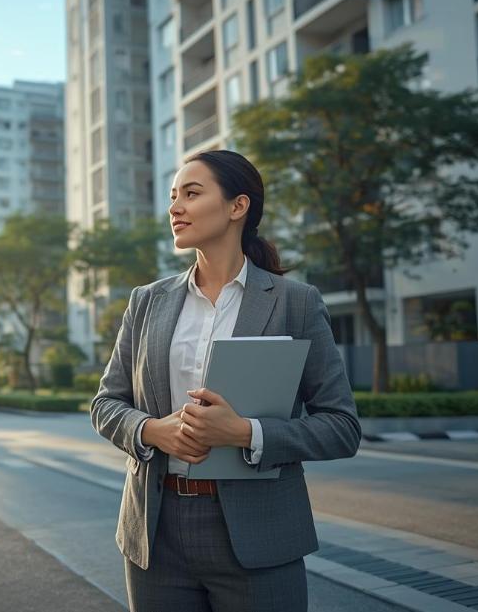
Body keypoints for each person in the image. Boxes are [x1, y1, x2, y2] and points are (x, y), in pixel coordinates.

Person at [90, 149, 361, 611]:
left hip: (260, 535)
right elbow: (105, 404)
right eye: (173, 196)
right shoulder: (147, 301)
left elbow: (341, 427)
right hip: (155, 531)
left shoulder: (295, 303)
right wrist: (154, 431)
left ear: (238, 206)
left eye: (191, 194)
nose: (175, 207)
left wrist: (244, 433)